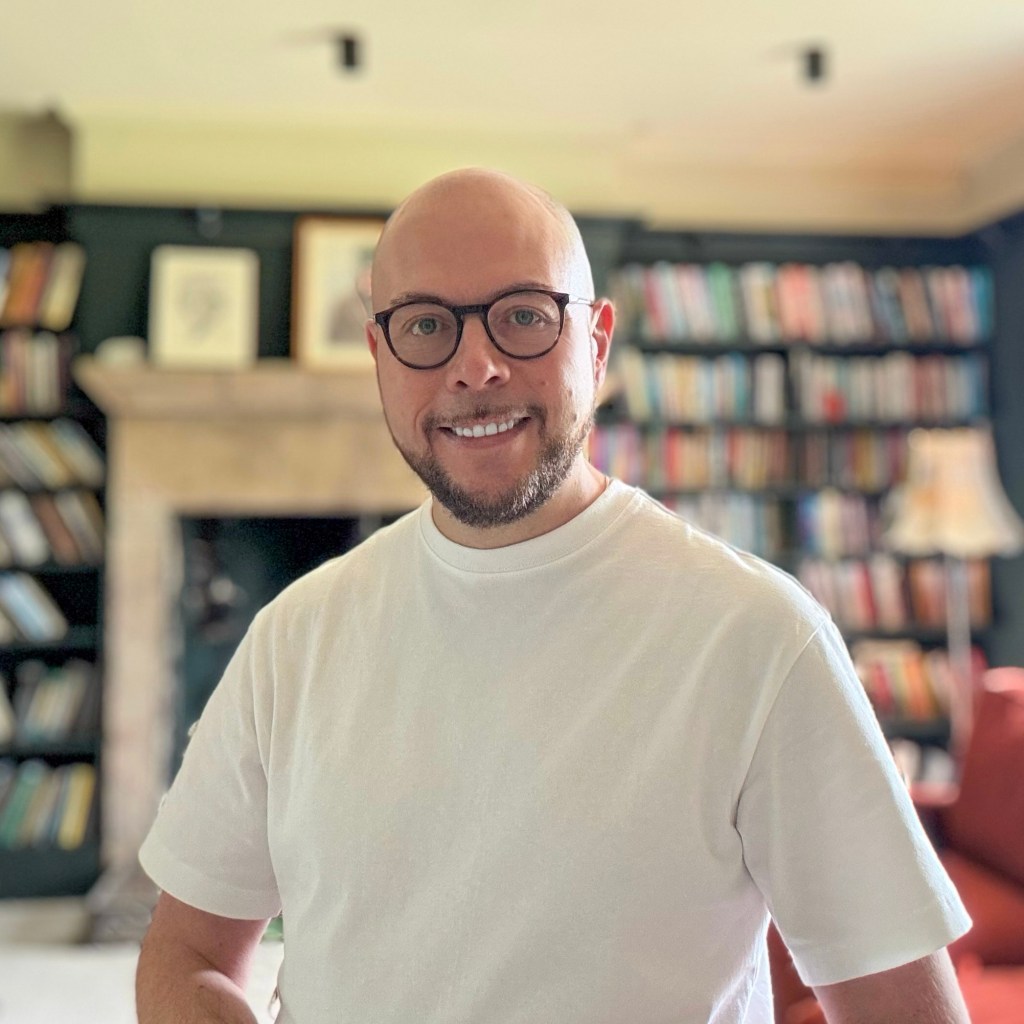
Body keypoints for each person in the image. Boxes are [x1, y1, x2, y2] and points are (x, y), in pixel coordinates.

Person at [136, 168, 971, 1024]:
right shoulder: (293, 638)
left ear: (597, 343)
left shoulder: (760, 638)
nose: (476, 367)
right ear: (379, 356)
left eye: (525, 316)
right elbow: (186, 952)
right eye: (425, 325)